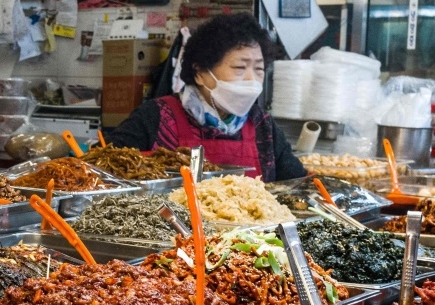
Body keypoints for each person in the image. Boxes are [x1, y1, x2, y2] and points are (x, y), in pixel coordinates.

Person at [107, 13, 307, 181]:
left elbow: (296, 185)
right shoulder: (156, 117)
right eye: (239, 67)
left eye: (259, 69)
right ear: (200, 73)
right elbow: (103, 168)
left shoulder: (263, 125)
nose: (251, 79)